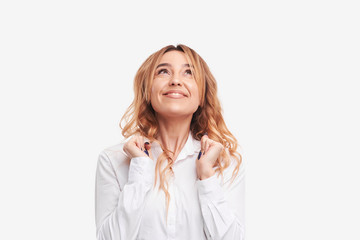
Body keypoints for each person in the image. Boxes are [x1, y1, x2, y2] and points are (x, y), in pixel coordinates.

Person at [95, 44, 245, 240]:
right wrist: (140, 169)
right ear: (148, 91)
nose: (175, 81)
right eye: (163, 71)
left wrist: (207, 176)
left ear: (202, 95)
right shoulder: (113, 160)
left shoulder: (226, 163)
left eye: (188, 73)